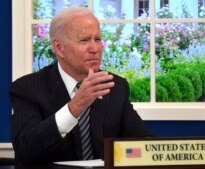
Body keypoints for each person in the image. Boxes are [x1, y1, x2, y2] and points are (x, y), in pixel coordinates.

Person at [9, 7, 154, 166]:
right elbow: (25, 149)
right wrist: (75, 106)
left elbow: (143, 143)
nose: (95, 49)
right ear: (59, 48)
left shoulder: (114, 86)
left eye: (97, 39)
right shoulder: (27, 89)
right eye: (84, 40)